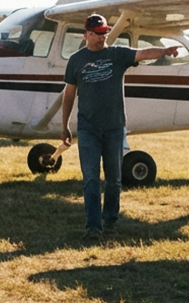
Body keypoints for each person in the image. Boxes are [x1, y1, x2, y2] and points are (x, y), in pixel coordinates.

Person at [60, 14, 179, 241]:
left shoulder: (117, 54)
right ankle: (93, 227)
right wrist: (65, 126)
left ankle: (110, 221)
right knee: (91, 179)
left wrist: (164, 52)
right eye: (98, 33)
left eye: (105, 32)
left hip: (114, 128)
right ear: (86, 35)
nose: (103, 36)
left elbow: (142, 54)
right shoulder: (76, 60)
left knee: (114, 179)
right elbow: (69, 94)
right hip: (88, 129)